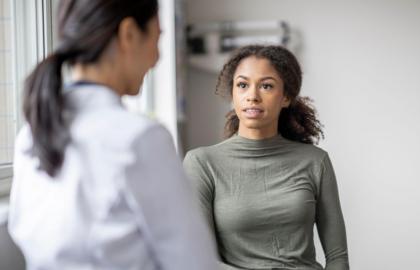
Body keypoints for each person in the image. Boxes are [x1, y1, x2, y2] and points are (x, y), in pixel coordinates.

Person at [8, 0, 217, 269]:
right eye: (157, 38)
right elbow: (193, 263)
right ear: (129, 34)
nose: (156, 57)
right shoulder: (140, 139)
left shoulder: (31, 133)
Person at [183, 45, 349, 270]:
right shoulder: (201, 163)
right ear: (232, 93)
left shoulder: (316, 161)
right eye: (242, 85)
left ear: (286, 97)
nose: (252, 96)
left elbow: (338, 257)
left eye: (267, 86)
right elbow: (200, 260)